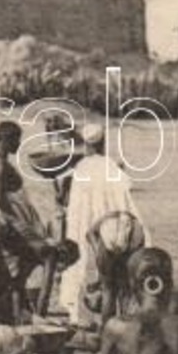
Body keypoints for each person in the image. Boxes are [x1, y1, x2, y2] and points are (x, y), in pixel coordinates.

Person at [59, 123, 150, 328]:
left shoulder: (81, 168)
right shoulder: (110, 166)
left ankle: (84, 317)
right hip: (115, 227)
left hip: (91, 229)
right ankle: (123, 322)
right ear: (103, 142)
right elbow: (126, 191)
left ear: (85, 143)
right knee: (121, 282)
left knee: (96, 276)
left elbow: (74, 206)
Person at [0, 121, 51, 326]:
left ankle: (10, 318)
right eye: (16, 139)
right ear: (5, 139)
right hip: (2, 215)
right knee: (42, 255)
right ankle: (19, 319)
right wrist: (16, 221)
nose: (18, 144)